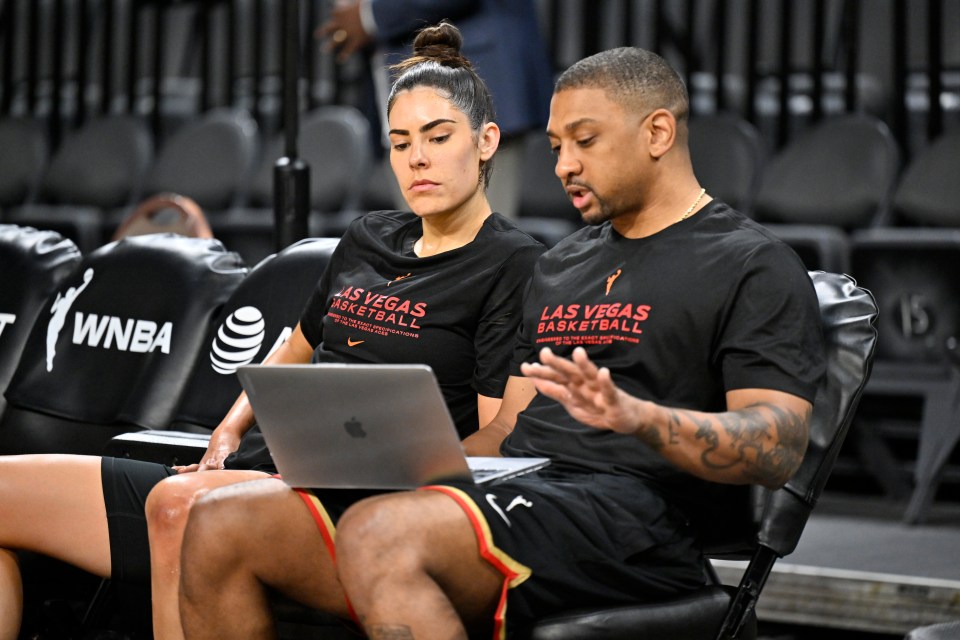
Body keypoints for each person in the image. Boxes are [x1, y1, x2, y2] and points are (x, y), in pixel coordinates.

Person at [176, 46, 826, 639]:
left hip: (637, 522)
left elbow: (777, 446)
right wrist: (385, 455)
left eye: (585, 140)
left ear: (657, 132)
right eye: (554, 145)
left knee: (384, 534)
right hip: (524, 489)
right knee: (220, 523)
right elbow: (505, 430)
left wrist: (642, 418)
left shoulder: (752, 264)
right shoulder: (560, 264)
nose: (565, 165)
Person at [0, 22, 544, 640]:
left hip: (355, 495)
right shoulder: (367, 236)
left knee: (178, 506)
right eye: (399, 143)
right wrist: (227, 431)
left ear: (486, 141)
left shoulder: (512, 263)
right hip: (266, 465)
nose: (415, 158)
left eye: (437, 137)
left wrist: (409, 464)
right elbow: (293, 347)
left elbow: (503, 431)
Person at [318, 0, 554, 217]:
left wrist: (369, 14)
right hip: (401, 90)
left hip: (474, 79)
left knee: (477, 251)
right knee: (429, 251)